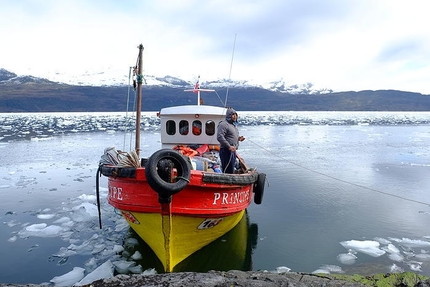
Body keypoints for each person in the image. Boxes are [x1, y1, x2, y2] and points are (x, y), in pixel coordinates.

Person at [216, 108, 245, 173]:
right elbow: (219, 137)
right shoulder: (223, 124)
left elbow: (231, 137)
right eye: (233, 115)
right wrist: (229, 146)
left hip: (233, 151)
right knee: (227, 170)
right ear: (229, 115)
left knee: (231, 169)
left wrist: (239, 138)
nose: (235, 116)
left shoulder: (233, 125)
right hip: (226, 151)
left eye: (236, 115)